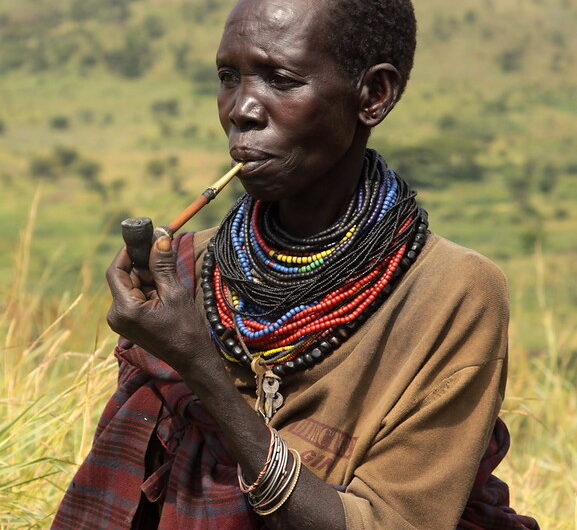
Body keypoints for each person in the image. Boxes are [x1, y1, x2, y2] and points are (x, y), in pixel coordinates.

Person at [53, 0, 540, 528]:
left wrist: (201, 367)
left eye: (279, 79)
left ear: (373, 95)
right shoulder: (190, 269)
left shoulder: (453, 292)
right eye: (227, 76)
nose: (242, 108)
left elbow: (387, 521)